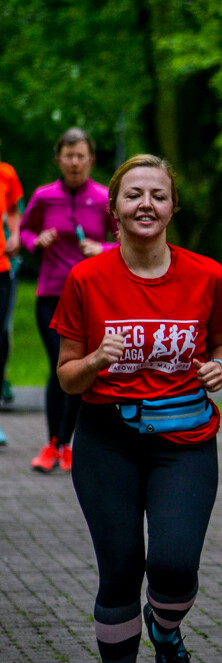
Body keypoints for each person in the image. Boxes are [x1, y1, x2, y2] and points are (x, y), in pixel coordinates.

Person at [50, 154, 222, 663]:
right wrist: (94, 359)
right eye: (133, 194)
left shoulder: (206, 275)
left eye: (158, 194)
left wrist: (219, 368)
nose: (146, 204)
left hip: (185, 438)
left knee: (174, 566)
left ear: (173, 206)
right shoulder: (86, 279)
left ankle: (165, 626)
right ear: (113, 208)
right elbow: (68, 376)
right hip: (106, 438)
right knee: (120, 568)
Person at [20, 128, 118, 472]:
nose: (75, 162)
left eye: (81, 156)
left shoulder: (105, 197)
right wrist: (37, 240)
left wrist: (102, 249)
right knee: (59, 367)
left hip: (91, 297)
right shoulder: (44, 196)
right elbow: (24, 231)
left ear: (91, 159)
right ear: (58, 160)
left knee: (83, 369)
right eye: (68, 156)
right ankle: (53, 444)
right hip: (50, 294)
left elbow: (127, 238)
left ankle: (68, 444)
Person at [0, 142, 24, 444]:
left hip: (1, 268)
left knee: (0, 337)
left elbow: (16, 209)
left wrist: (16, 233)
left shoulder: (6, 174)